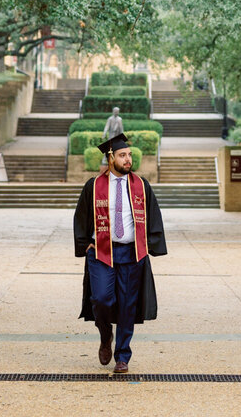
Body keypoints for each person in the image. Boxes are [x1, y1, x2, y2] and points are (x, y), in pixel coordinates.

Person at [72, 133, 167, 373]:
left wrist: (150, 246)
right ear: (110, 157)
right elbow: (81, 216)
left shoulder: (141, 186)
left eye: (130, 155)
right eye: (123, 155)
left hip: (132, 253)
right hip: (102, 252)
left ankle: (122, 356)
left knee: (127, 305)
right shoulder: (93, 186)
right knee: (101, 299)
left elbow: (154, 215)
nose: (128, 159)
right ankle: (106, 335)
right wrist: (85, 243)